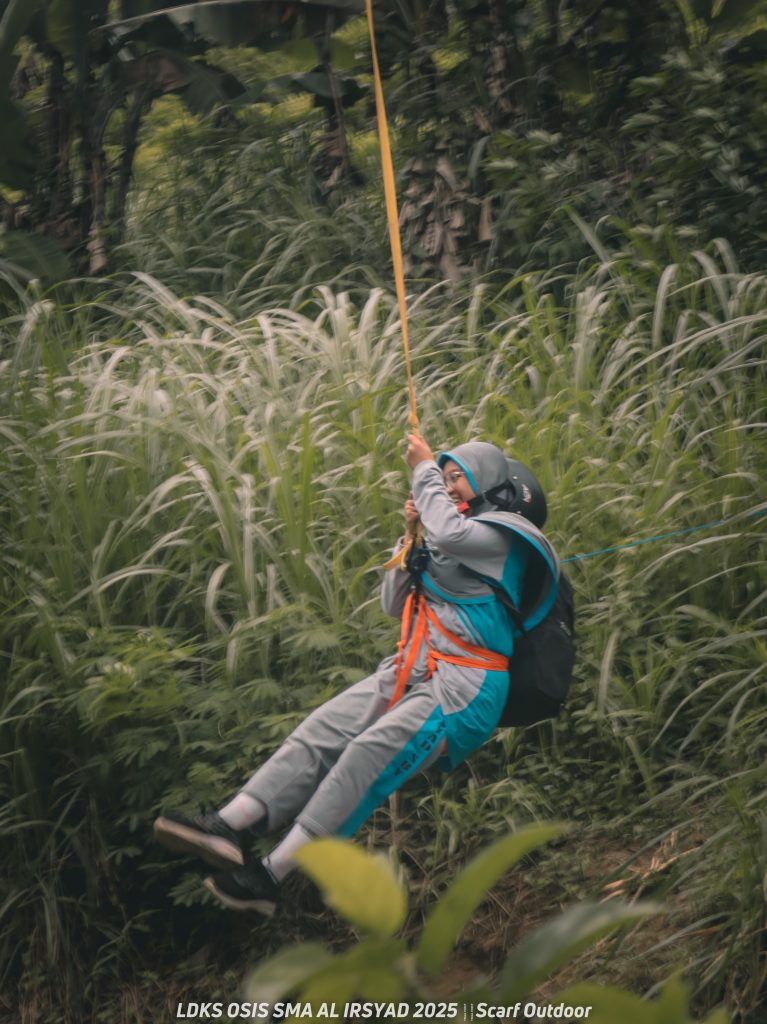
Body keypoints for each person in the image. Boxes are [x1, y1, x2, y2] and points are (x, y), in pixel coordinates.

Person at [153, 434, 560, 915]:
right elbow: (393, 602)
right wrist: (410, 535)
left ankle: (272, 874)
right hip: (414, 668)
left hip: (464, 689)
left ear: (489, 484)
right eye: (445, 476)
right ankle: (230, 823)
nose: (448, 485)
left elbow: (452, 533)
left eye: (457, 477)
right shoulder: (447, 538)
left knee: (367, 753)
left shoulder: (505, 538)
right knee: (323, 728)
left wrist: (424, 468)